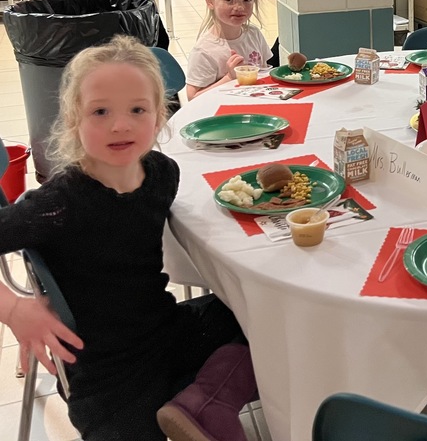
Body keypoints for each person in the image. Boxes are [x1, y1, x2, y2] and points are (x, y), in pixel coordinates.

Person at [0, 36, 258, 441]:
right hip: (105, 377)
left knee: (265, 317)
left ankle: (205, 402)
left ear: (158, 118)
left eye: (137, 110)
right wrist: (14, 308)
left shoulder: (160, 174)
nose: (120, 125)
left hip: (165, 331)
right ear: (73, 121)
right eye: (100, 111)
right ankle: (206, 401)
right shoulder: (60, 202)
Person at [186, 0, 271, 99]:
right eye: (229, 0)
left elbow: (264, 73)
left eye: (247, 0)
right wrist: (229, 77)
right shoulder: (204, 50)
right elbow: (193, 97)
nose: (239, 7)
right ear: (210, 1)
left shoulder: (254, 34)